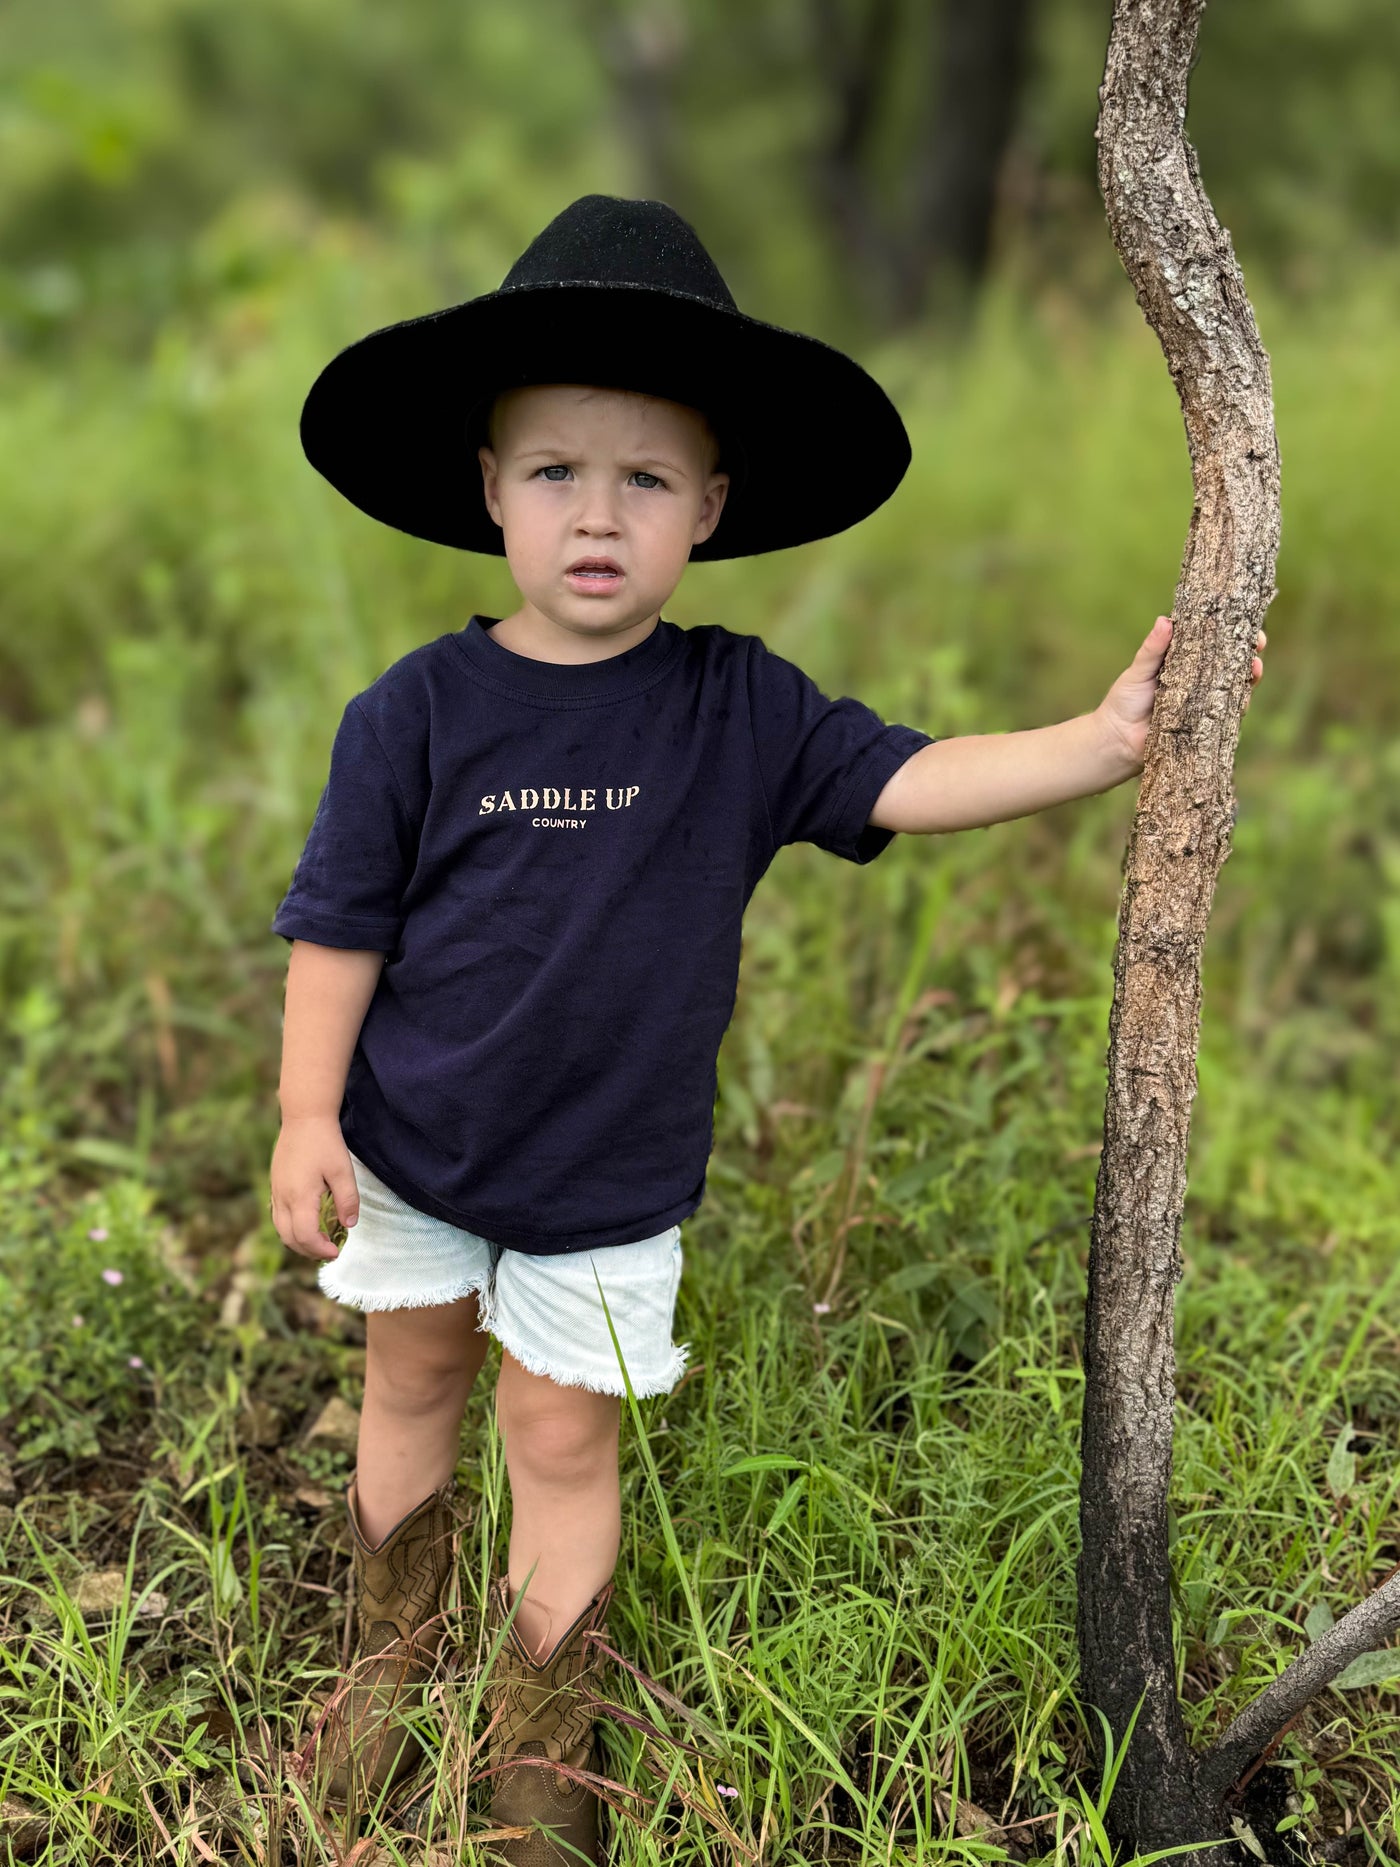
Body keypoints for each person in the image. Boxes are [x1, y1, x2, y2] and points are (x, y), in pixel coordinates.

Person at [267, 194, 1265, 1862]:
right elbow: (338, 931)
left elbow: (909, 777)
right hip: (418, 1145)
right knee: (412, 1376)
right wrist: (308, 1116)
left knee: (561, 1432)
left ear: (711, 508)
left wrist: (1098, 744)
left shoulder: (739, 706)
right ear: (489, 492)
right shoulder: (415, 715)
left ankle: (542, 1759)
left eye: (647, 479)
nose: (600, 515)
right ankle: (384, 1661)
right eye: (557, 473)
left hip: (603, 1174)